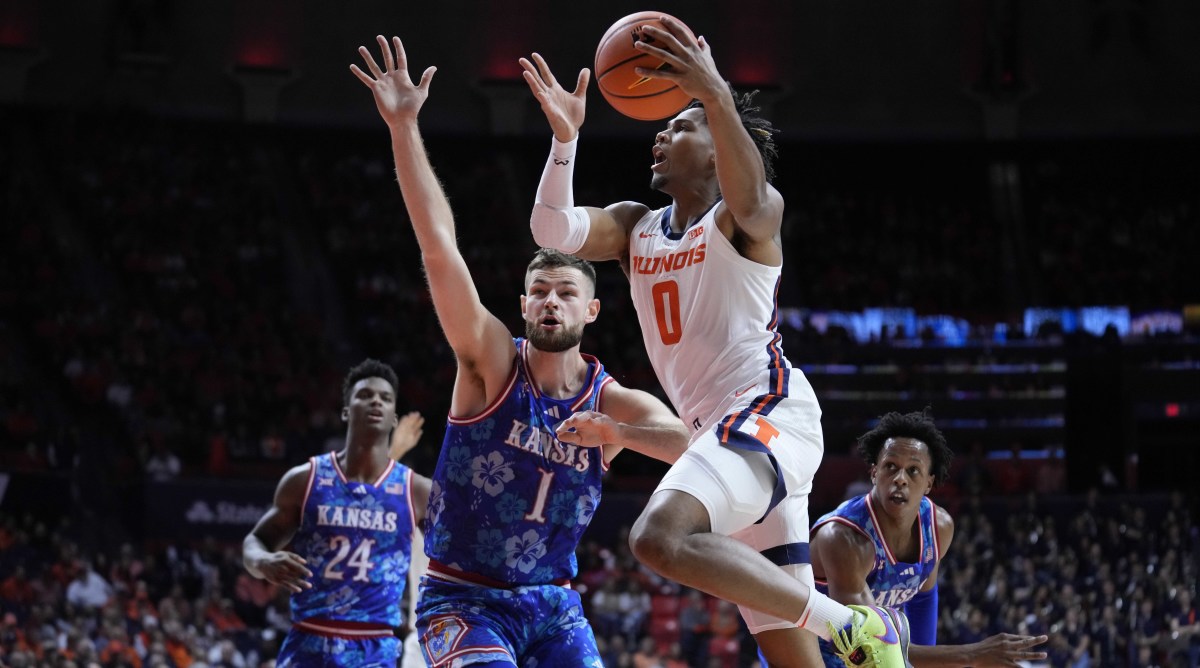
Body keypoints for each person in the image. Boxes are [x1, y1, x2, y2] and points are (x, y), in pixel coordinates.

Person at [521, 17, 909, 668]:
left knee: (658, 538)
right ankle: (848, 633)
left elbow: (753, 195)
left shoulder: (746, 220)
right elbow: (551, 229)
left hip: (768, 414)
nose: (662, 132)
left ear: (717, 148)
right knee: (791, 658)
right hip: (725, 435)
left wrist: (716, 92)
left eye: (682, 124)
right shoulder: (633, 227)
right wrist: (565, 140)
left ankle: (856, 626)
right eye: (664, 125)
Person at [351, 36, 691, 667]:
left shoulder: (611, 400)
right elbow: (438, 247)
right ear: (525, 304)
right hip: (462, 599)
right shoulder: (490, 365)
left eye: (566, 291)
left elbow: (696, 447)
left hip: (553, 603)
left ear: (591, 311)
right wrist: (403, 127)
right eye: (539, 291)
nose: (551, 301)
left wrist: (615, 431)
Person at [810, 409, 1049, 667]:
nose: (900, 479)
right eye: (891, 467)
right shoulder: (844, 538)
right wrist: (973, 655)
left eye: (913, 471)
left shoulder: (938, 527)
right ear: (874, 473)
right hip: (807, 646)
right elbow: (873, 642)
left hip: (869, 650)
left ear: (928, 483)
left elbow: (923, 599)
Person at [242, 359, 430, 667]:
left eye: (385, 398)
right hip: (308, 639)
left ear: (394, 418)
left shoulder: (416, 491)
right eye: (365, 395)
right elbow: (255, 541)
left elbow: (458, 552)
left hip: (375, 646)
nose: (375, 402)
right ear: (346, 411)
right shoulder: (305, 479)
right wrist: (263, 561)